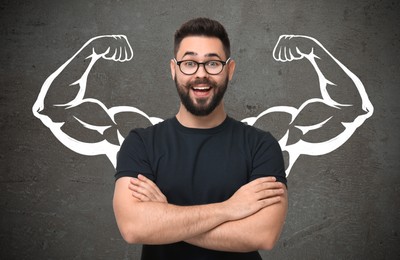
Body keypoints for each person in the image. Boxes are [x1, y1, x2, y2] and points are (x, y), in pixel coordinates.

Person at [113, 17, 288, 260]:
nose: (201, 74)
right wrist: (229, 209)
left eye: (213, 63)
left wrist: (164, 217)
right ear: (174, 69)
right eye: (189, 63)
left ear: (230, 69)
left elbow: (263, 235)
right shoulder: (141, 144)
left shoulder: (261, 146)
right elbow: (134, 228)